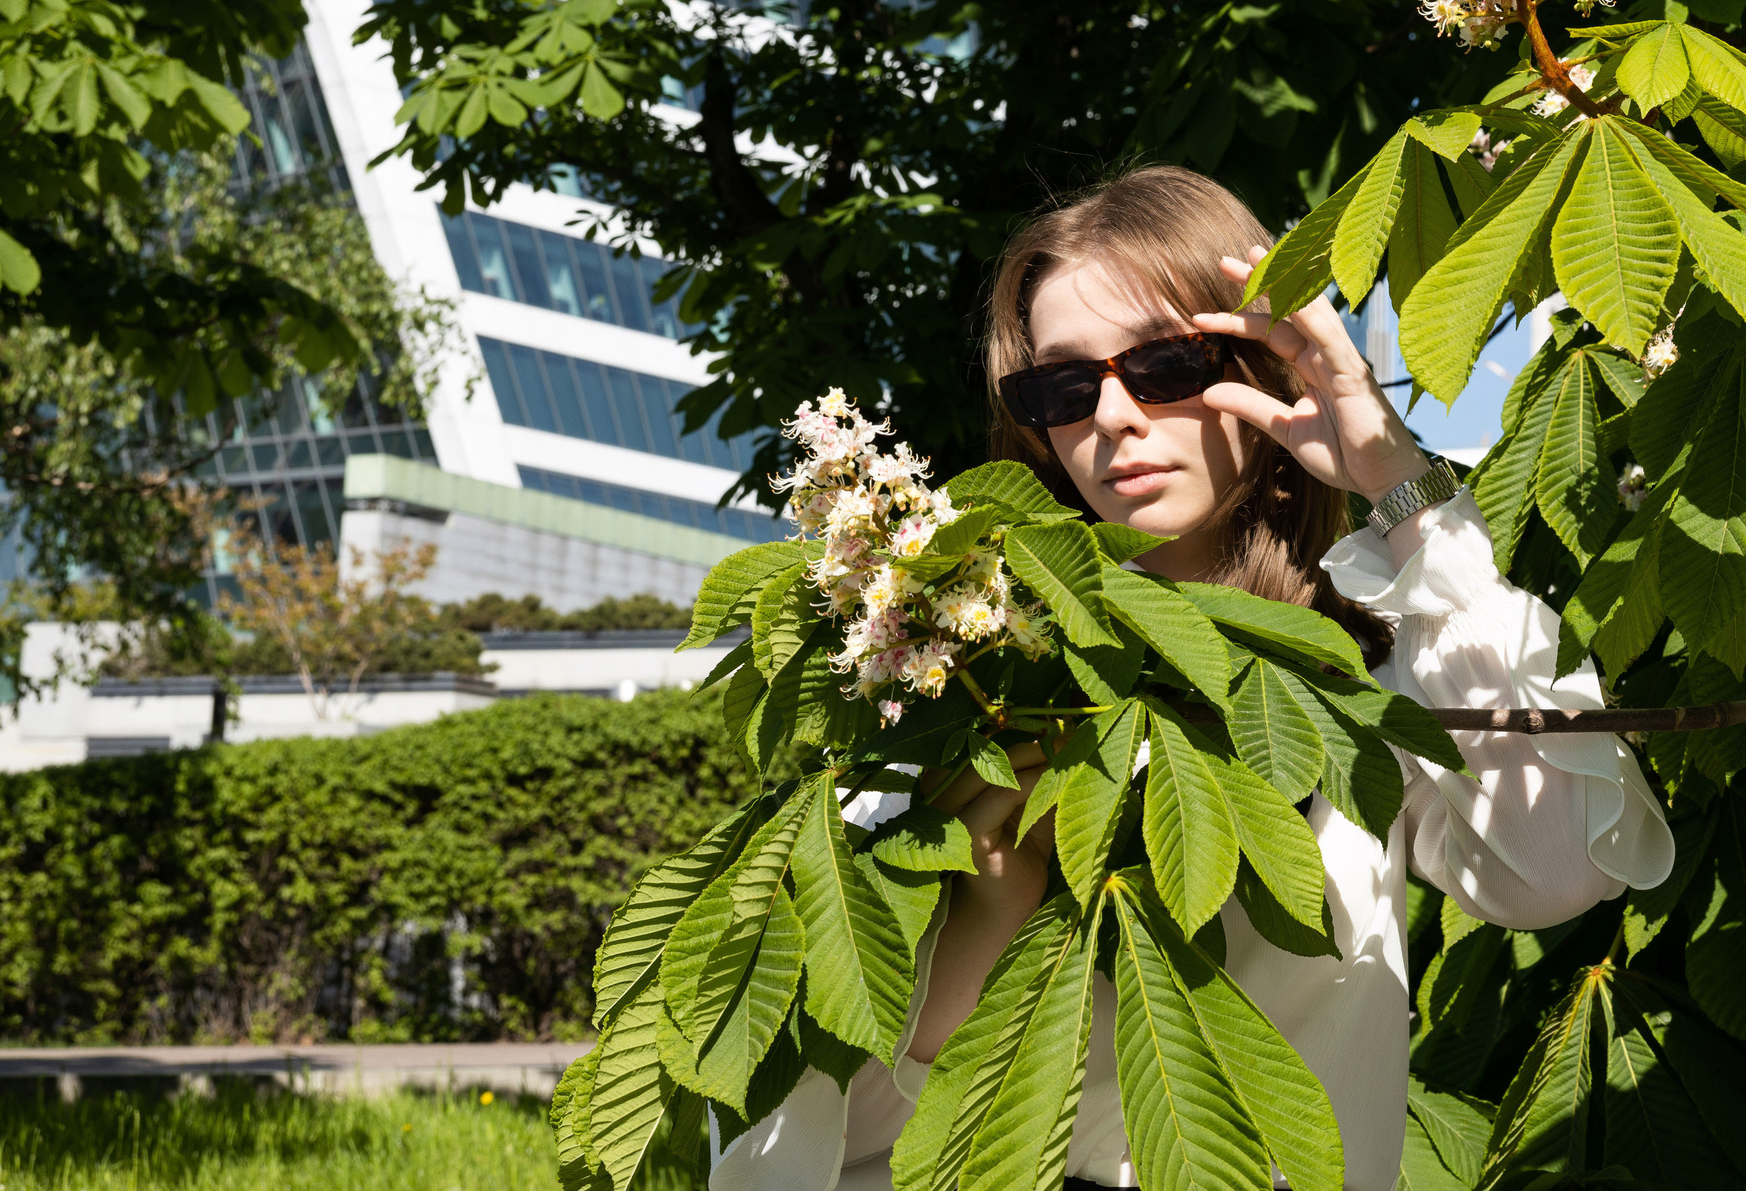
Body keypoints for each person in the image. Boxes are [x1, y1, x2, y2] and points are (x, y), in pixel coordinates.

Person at [710, 164, 1674, 1190]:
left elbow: (1562, 865)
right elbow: (818, 1143)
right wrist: (986, 923)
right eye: (1064, 388)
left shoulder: (1372, 671)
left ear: (1261, 369)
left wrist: (1398, 478)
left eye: (1166, 366)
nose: (1114, 417)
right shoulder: (961, 689)